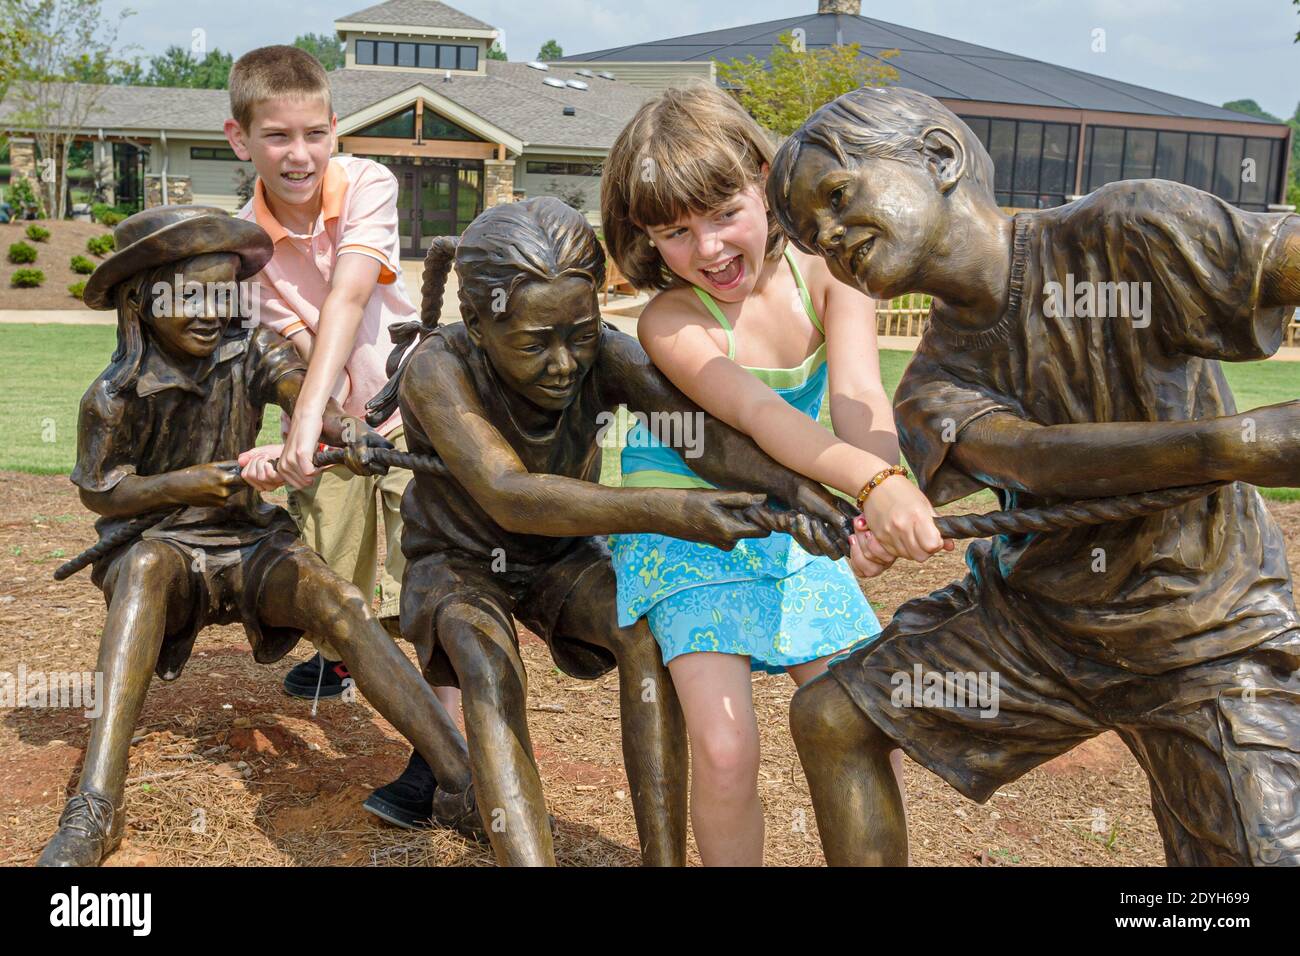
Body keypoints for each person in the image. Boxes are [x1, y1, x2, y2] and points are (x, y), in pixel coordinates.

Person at [769, 85, 1300, 866]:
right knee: (832, 717)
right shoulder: (928, 387)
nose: (830, 237)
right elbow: (1042, 461)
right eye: (811, 237)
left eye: (838, 197)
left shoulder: (1128, 229)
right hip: (1038, 635)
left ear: (940, 157)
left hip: (1207, 631)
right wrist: (1240, 445)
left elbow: (1280, 257)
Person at [368, 195, 857, 865]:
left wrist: (805, 494)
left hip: (562, 555)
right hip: (460, 561)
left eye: (580, 332)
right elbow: (512, 495)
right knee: (487, 665)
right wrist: (670, 512)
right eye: (535, 343)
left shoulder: (607, 355)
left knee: (644, 635)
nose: (566, 362)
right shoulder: (439, 369)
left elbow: (707, 443)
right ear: (480, 326)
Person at [38, 205, 475, 867]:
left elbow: (306, 398)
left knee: (340, 602)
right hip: (164, 547)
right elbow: (102, 490)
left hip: (250, 544)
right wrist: (183, 486)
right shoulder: (112, 395)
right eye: (189, 295)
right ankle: (97, 804)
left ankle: (459, 779)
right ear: (140, 301)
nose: (211, 310)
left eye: (223, 292)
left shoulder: (253, 353)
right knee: (142, 572)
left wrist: (345, 431)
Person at [597, 83, 948, 865]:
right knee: (727, 750)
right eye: (676, 233)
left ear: (765, 179)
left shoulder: (830, 275)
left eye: (725, 213)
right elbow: (764, 418)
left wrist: (881, 484)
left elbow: (858, 394)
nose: (709, 249)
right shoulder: (672, 321)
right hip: (690, 535)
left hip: (793, 532)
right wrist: (869, 486)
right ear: (648, 239)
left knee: (868, 723)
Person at [221, 45, 457, 828]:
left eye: (315, 133)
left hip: (410, 415)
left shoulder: (368, 182)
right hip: (330, 428)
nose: (300, 154)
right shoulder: (243, 246)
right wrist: (297, 438)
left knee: (430, 583)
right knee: (337, 578)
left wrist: (323, 417)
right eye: (277, 136)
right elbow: (288, 350)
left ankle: (438, 762)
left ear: (334, 129)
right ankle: (342, 658)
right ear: (238, 139)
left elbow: (351, 301)